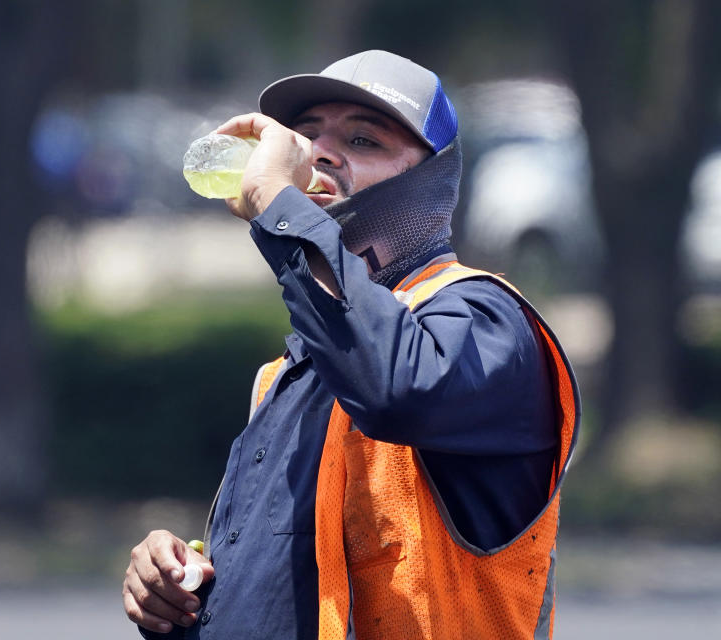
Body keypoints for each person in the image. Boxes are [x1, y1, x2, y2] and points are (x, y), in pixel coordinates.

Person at [122, 50, 580, 640]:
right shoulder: (291, 373)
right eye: (304, 136)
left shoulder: (484, 321)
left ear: (430, 179)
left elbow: (396, 390)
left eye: (364, 141)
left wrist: (280, 212)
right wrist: (179, 590)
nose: (317, 154)